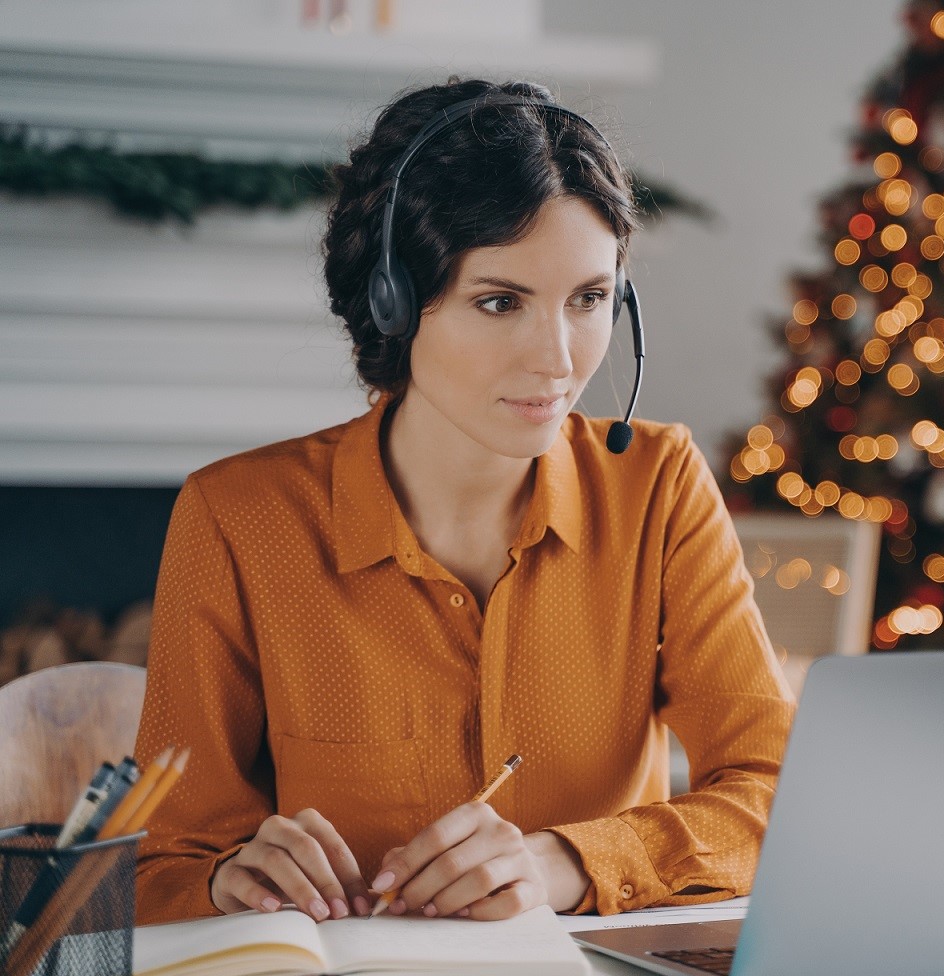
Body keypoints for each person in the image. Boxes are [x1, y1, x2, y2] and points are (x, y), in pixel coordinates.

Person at [133, 78, 795, 925]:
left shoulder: (657, 488)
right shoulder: (238, 519)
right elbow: (160, 865)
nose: (557, 360)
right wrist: (228, 881)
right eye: (499, 302)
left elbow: (774, 793)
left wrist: (566, 864)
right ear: (393, 302)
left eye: (589, 299)